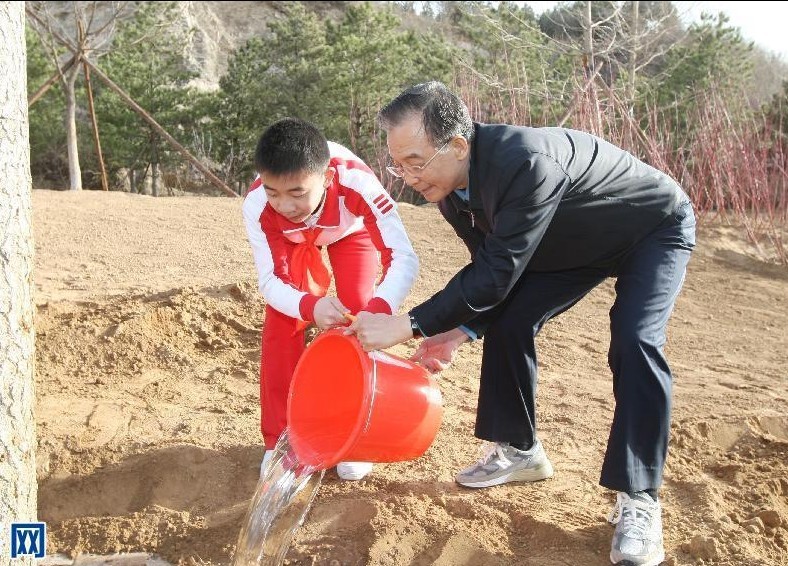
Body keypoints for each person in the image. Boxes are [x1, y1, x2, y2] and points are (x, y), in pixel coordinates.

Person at [347, 81, 695, 566]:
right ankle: (520, 449)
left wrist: (410, 325)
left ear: (459, 145)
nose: (405, 178)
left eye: (414, 162)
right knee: (509, 322)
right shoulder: (450, 191)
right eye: (397, 164)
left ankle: (639, 497)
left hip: (651, 228)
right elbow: (492, 273)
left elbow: (495, 274)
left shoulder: (526, 162)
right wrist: (460, 332)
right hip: (569, 244)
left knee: (635, 340)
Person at [242, 118, 419, 481]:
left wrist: (379, 313)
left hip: (348, 233)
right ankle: (279, 441)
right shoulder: (259, 204)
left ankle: (355, 435)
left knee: (359, 315)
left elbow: (403, 257)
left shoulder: (357, 182)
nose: (284, 205)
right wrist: (310, 306)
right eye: (274, 192)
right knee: (282, 323)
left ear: (326, 178)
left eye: (296, 193)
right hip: (293, 243)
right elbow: (270, 281)